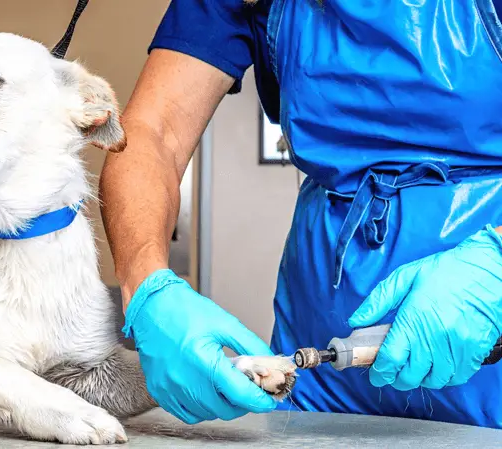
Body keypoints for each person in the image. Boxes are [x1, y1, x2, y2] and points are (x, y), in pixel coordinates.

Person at [99, 0, 502, 429]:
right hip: (318, 365)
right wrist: (148, 289)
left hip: (484, 338)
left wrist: (496, 267)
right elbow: (151, 133)